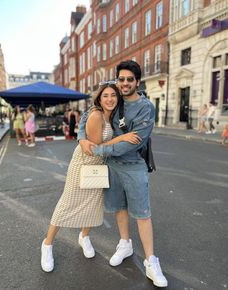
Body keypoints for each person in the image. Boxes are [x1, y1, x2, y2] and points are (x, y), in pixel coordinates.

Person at [78, 60, 168, 288]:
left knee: (142, 213)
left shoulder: (146, 107)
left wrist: (99, 149)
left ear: (137, 81)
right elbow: (88, 114)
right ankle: (125, 243)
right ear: (117, 80)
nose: (125, 83)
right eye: (122, 79)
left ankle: (150, 261)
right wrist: (81, 137)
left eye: (130, 79)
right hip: (110, 166)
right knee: (120, 208)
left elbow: (133, 142)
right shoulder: (113, 97)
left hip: (133, 165)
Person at [41, 83, 140, 273]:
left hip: (100, 165)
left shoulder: (114, 116)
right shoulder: (96, 114)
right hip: (84, 162)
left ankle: (84, 237)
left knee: (92, 204)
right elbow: (95, 147)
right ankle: (47, 245)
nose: (110, 99)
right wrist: (122, 138)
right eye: (105, 96)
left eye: (113, 95)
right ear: (99, 99)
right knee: (67, 203)